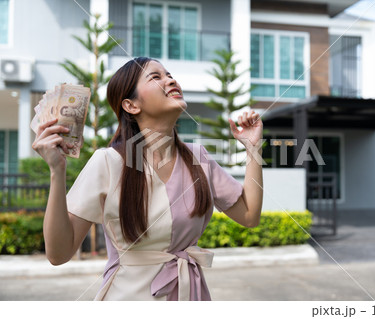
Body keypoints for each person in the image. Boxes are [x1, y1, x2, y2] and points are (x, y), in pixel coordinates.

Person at [32, 57, 263, 301]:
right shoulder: (108, 162)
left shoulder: (199, 158)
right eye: (156, 77)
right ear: (131, 106)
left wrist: (253, 148)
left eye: (169, 74)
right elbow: (58, 254)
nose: (170, 80)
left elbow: (249, 215)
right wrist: (57, 172)